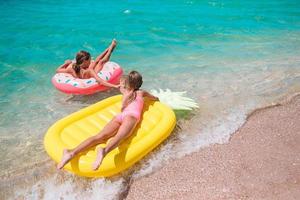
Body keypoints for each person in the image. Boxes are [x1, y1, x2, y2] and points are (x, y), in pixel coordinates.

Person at [57, 71, 159, 170]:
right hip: (131, 117)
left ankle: (71, 152)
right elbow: (154, 98)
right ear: (139, 83)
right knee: (120, 137)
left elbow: (123, 105)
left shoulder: (125, 91)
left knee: (100, 136)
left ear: (127, 84)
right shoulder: (141, 92)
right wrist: (157, 99)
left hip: (120, 116)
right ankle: (104, 151)